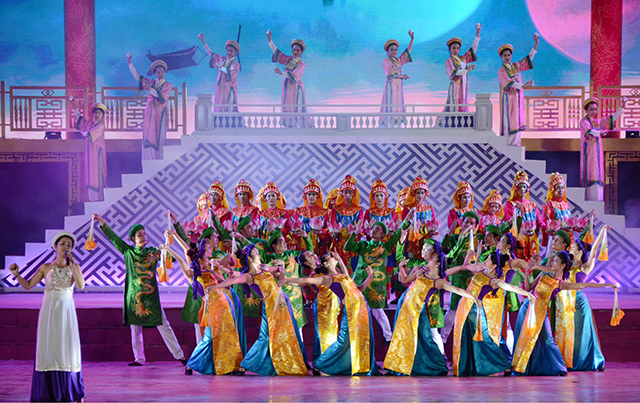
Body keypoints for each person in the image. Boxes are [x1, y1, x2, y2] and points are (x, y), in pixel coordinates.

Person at [93, 214, 186, 367]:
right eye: (139, 235)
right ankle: (139, 358)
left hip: (151, 297)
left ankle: (180, 355)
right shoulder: (128, 252)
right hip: (134, 297)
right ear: (133, 239)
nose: (143, 237)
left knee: (164, 325)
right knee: (135, 329)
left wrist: (166, 249)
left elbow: (173, 259)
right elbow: (114, 239)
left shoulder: (153, 252)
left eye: (144, 234)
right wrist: (102, 222)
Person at [512, 251, 618, 376]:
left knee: (547, 340)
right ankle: (519, 367)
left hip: (540, 313)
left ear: (562, 265)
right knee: (523, 338)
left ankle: (560, 368)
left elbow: (582, 285)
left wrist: (605, 284)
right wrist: (526, 272)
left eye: (556, 261)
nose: (553, 263)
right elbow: (528, 288)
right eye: (553, 261)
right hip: (527, 308)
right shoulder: (543, 274)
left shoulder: (560, 284)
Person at [210, 244, 310, 376]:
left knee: (288, 333)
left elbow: (280, 272)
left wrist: (281, 268)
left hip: (281, 304)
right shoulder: (249, 276)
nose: (259, 255)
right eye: (256, 253)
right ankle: (246, 363)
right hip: (269, 307)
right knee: (265, 337)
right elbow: (231, 282)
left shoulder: (264, 267)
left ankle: (293, 361)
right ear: (250, 258)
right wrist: (214, 287)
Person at [9, 232, 86, 402]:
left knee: (67, 347)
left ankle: (71, 390)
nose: (66, 247)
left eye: (69, 245)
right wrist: (16, 274)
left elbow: (81, 285)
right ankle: (48, 391)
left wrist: (73, 266)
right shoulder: (45, 267)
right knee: (50, 346)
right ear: (55, 247)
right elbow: (28, 285)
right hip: (49, 310)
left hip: (66, 310)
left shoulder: (75, 266)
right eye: (63, 244)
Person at [384, 243, 481, 376]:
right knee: (401, 337)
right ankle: (397, 367)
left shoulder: (438, 281)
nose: (428, 261)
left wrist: (473, 297)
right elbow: (405, 279)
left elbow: (457, 290)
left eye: (431, 260)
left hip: (419, 312)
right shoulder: (421, 271)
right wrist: (401, 267)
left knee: (426, 339)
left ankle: (438, 366)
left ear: (437, 264)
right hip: (406, 309)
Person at [281, 252, 378, 376]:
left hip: (362, 309)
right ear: (326, 264)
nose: (333, 258)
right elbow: (305, 280)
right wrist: (287, 280)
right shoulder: (327, 279)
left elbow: (358, 289)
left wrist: (370, 277)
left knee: (366, 337)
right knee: (343, 341)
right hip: (349, 311)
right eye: (330, 258)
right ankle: (320, 364)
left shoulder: (343, 276)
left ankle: (366, 367)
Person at [164, 239, 245, 376]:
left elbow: (226, 285)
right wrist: (169, 249)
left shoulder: (211, 272)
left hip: (225, 307)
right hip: (211, 309)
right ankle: (191, 364)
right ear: (200, 260)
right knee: (209, 339)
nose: (209, 260)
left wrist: (222, 273)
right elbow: (182, 260)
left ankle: (231, 366)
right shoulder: (193, 275)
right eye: (206, 258)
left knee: (228, 336)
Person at [451, 251, 535, 376]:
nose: (485, 261)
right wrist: (471, 254)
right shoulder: (481, 269)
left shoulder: (494, 281)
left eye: (488, 260)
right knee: (466, 336)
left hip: (475, 310)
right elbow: (467, 265)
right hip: (464, 307)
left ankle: (499, 365)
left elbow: (510, 287)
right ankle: (470, 367)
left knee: (484, 337)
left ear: (495, 265)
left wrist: (527, 293)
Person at [346, 208, 415, 344]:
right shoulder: (363, 244)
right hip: (360, 280)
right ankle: (354, 338)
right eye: (372, 228)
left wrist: (407, 217)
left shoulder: (385, 247)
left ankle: (388, 337)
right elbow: (348, 247)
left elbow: (397, 234)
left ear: (383, 234)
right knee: (356, 309)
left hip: (376, 282)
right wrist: (355, 233)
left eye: (377, 229)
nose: (373, 230)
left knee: (378, 312)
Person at [580, 97, 627, 201]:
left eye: (595, 109)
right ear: (586, 110)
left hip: (597, 152)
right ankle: (590, 199)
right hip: (589, 151)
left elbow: (609, 120)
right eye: (591, 109)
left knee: (598, 172)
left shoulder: (596, 122)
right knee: (592, 171)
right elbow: (591, 132)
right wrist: (601, 132)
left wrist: (621, 108)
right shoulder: (584, 121)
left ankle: (598, 200)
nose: (594, 111)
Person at [126, 54, 172, 160]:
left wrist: (150, 88)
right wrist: (130, 64)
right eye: (158, 72)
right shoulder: (151, 82)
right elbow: (138, 77)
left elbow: (162, 98)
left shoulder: (167, 85)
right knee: (148, 133)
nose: (160, 74)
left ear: (165, 72)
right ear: (155, 73)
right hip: (149, 112)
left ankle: (159, 158)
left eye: (162, 72)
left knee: (159, 135)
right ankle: (148, 158)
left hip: (160, 113)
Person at [498, 33, 539, 146]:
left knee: (517, 119)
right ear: (501, 57)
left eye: (508, 55)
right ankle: (508, 144)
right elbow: (509, 83)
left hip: (518, 97)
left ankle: (516, 144)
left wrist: (536, 44)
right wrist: (523, 86)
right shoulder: (501, 71)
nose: (507, 57)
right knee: (510, 119)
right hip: (510, 98)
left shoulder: (516, 66)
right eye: (505, 55)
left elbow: (529, 58)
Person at [266, 30, 310, 127]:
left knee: (294, 105)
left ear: (301, 52)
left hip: (295, 88)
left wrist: (281, 73)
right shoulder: (289, 60)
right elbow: (278, 54)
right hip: (286, 87)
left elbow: (295, 75)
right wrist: (270, 40)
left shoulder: (301, 64)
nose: (295, 52)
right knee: (286, 104)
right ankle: (287, 124)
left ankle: (295, 124)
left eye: (298, 50)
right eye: (294, 50)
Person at [198, 33, 241, 127]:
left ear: (235, 52)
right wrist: (204, 42)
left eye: (231, 51)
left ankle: (229, 126)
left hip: (229, 90)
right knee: (219, 105)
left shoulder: (236, 65)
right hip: (220, 90)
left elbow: (230, 73)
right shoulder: (222, 60)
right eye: (228, 50)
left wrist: (220, 67)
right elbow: (211, 54)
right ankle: (218, 124)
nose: (229, 52)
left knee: (228, 106)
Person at [444, 24, 481, 127]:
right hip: (456, 86)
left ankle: (463, 124)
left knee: (464, 102)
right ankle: (454, 125)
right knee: (456, 104)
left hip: (464, 85)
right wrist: (467, 70)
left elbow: (473, 49)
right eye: (453, 48)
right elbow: (453, 74)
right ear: (450, 49)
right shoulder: (449, 61)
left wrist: (477, 35)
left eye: (457, 48)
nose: (456, 50)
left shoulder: (462, 58)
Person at [503, 170, 546, 260]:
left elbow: (539, 221)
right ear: (516, 188)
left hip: (532, 240)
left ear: (527, 188)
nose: (522, 189)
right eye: (520, 187)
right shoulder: (510, 204)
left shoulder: (532, 205)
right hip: (519, 240)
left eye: (524, 187)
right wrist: (521, 231)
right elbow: (509, 224)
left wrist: (546, 228)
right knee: (519, 263)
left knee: (532, 263)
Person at [70, 99, 107, 201]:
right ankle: (92, 199)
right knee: (90, 174)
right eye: (95, 113)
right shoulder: (91, 125)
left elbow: (89, 135)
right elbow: (81, 120)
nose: (96, 115)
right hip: (90, 154)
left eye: (99, 113)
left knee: (96, 175)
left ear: (102, 115)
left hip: (97, 154)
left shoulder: (101, 125)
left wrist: (84, 132)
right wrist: (74, 106)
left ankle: (98, 198)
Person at [327, 175, 364, 272]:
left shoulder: (358, 210)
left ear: (353, 194)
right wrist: (333, 233)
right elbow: (333, 225)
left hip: (353, 242)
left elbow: (361, 226)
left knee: (354, 269)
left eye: (350, 193)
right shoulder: (336, 209)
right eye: (345, 192)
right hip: (339, 242)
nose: (348, 195)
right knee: (339, 269)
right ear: (342, 194)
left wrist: (357, 234)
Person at [380, 30, 414, 127]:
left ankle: (396, 121)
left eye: (395, 50)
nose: (394, 51)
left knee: (398, 102)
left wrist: (412, 39)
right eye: (391, 50)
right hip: (391, 86)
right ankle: (388, 122)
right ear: (387, 51)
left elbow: (407, 52)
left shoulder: (398, 61)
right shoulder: (386, 61)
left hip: (398, 86)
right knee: (391, 102)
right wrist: (402, 76)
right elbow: (390, 75)